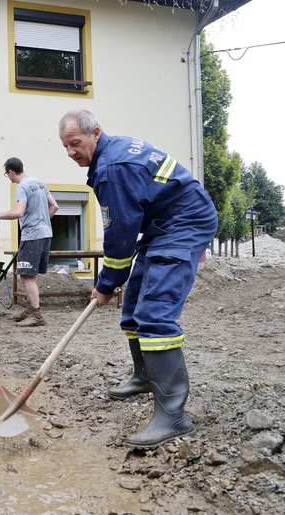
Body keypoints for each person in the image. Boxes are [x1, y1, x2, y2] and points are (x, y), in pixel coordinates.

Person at [58, 109, 218, 449]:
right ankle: (144, 375)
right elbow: (126, 229)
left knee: (155, 314)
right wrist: (113, 282)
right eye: (65, 146)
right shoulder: (110, 157)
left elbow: (120, 236)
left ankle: (173, 417)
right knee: (132, 307)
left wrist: (104, 284)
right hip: (163, 224)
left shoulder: (113, 170)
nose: (71, 152)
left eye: (76, 143)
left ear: (95, 133)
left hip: (184, 222)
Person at [0, 157, 59, 327]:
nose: (9, 179)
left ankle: (36, 316)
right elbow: (54, 206)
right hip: (46, 234)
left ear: (11, 172)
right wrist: (42, 222)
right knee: (31, 275)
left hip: (32, 235)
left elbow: (19, 212)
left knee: (26, 276)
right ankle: (30, 308)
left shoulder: (22, 187)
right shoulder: (39, 182)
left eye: (7, 175)